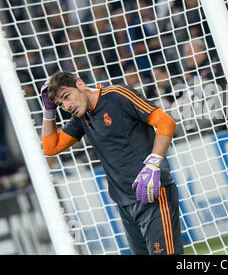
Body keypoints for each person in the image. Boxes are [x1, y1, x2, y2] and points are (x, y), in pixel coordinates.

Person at [40, 71, 183, 255]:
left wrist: (153, 164)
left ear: (81, 85)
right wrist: (49, 111)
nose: (67, 106)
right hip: (125, 204)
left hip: (153, 194)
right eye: (60, 104)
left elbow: (166, 122)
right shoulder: (81, 117)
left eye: (67, 96)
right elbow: (51, 147)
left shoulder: (117, 96)